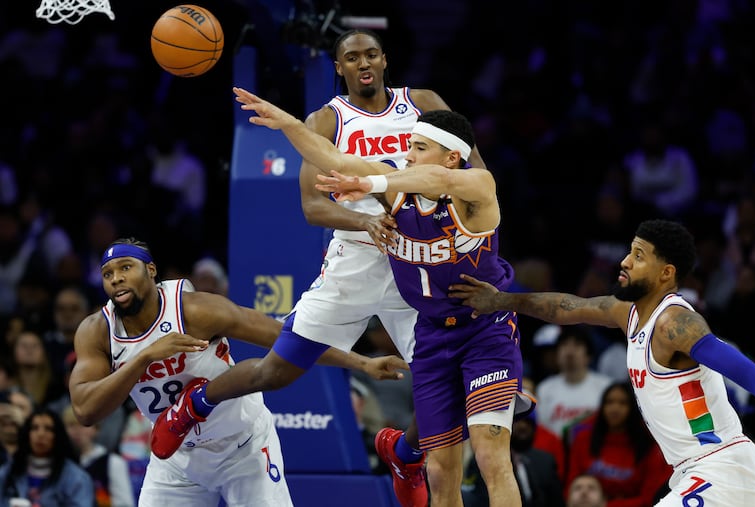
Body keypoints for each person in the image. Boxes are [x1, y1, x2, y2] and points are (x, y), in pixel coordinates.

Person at [155, 28, 489, 507]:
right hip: (355, 259)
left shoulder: (422, 101)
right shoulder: (326, 120)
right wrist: (363, 221)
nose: (363, 62)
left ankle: (406, 453)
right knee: (276, 372)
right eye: (352, 57)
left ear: (385, 59)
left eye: (371, 54)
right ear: (340, 68)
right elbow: (313, 206)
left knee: (449, 385)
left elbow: (475, 171)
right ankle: (197, 402)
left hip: (417, 262)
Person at [194, 90, 535, 507]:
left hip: (484, 333)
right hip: (432, 336)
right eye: (408, 145)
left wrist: (372, 182)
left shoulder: (477, 187)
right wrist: (289, 124)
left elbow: (439, 181)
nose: (406, 155)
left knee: (489, 455)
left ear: (450, 155)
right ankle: (405, 456)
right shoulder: (397, 188)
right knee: (442, 470)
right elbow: (334, 159)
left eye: (419, 147)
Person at [70, 238, 405, 507]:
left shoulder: (197, 310)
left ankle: (199, 400)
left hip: (241, 446)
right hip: (177, 460)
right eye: (108, 273)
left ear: (151, 270)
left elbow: (286, 338)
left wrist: (361, 362)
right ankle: (192, 405)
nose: (116, 279)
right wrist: (143, 359)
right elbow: (86, 409)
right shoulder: (96, 331)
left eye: (125, 267)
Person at [449, 219, 755, 505]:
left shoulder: (674, 323)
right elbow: (566, 307)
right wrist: (500, 300)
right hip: (694, 469)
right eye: (629, 251)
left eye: (639, 256)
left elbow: (748, 373)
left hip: (722, 466)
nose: (625, 261)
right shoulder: (628, 313)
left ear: (666, 272)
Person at [565, 381, 670, 507]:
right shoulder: (583, 440)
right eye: (609, 402)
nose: (615, 408)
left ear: (634, 407)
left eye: (623, 403)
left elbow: (649, 498)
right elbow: (570, 487)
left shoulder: (650, 447)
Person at [0, 406, 94, 507]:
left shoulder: (76, 478)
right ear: (27, 434)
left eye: (48, 429)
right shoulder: (8, 473)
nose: (40, 434)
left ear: (57, 435)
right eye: (34, 428)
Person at [534, 325, 612, 441]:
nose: (570, 352)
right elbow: (542, 429)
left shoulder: (605, 387)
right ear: (557, 354)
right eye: (564, 345)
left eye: (577, 345)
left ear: (589, 356)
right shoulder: (544, 389)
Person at [62, 404, 135, 507]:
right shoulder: (60, 463)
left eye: (83, 425)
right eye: (71, 425)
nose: (77, 431)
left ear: (96, 429)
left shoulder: (113, 462)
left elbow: (125, 503)